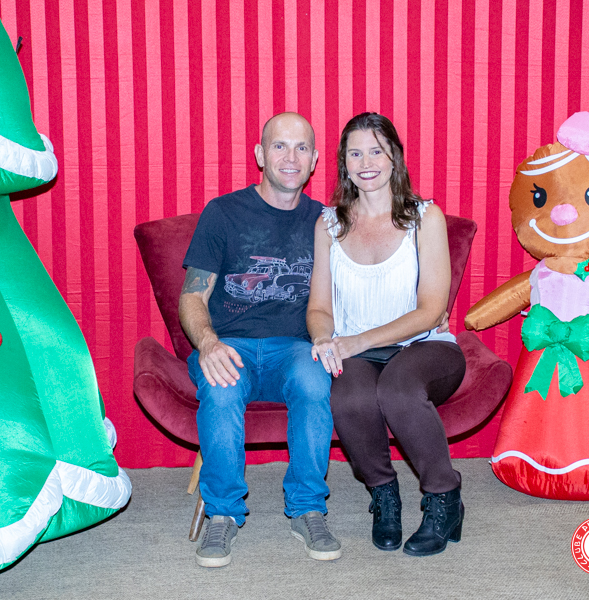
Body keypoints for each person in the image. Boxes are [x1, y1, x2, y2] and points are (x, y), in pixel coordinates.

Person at [179, 112, 340, 567]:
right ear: (260, 154)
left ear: (314, 160)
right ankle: (222, 513)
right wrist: (208, 343)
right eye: (279, 146)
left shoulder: (326, 222)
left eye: (302, 148)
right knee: (222, 387)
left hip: (296, 348)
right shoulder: (223, 213)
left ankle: (308, 508)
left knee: (314, 381)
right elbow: (192, 295)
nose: (291, 157)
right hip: (231, 343)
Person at [307, 112, 467, 557]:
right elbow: (319, 308)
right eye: (355, 154)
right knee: (349, 398)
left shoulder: (425, 217)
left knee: (397, 390)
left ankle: (444, 497)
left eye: (376, 151)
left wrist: (357, 341)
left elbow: (431, 310)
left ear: (394, 156)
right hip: (358, 352)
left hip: (425, 346)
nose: (366, 163)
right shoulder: (329, 224)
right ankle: (384, 495)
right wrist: (322, 339)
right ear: (343, 163)